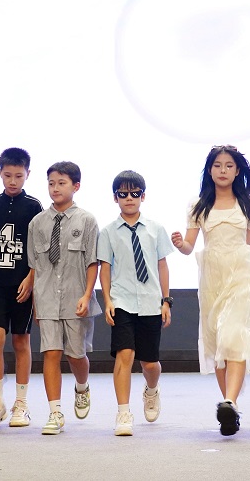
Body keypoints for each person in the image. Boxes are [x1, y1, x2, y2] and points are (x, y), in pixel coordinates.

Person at [172, 145, 250, 436]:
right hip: (212, 278)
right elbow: (189, 246)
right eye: (218, 165)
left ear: (237, 171)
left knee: (235, 336)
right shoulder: (198, 205)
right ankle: (229, 408)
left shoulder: (248, 203)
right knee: (218, 342)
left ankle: (230, 401)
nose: (223, 170)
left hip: (242, 275)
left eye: (229, 165)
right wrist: (180, 244)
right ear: (209, 170)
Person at [97, 170, 176, 436]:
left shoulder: (156, 229)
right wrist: (107, 300)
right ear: (115, 197)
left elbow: (162, 265)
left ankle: (151, 390)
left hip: (151, 302)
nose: (129, 198)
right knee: (125, 354)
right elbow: (105, 268)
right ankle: (123, 412)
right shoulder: (108, 232)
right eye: (123, 194)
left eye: (134, 193)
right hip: (122, 301)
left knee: (149, 363)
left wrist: (166, 301)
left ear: (143, 196)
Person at [0, 147, 44, 429]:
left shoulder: (34, 206)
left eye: (18, 176)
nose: (13, 181)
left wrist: (31, 278)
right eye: (8, 175)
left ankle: (21, 404)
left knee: (21, 341)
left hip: (22, 286)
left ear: (27, 174)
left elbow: (39, 249)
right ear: (0, 173)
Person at [27, 161, 101, 435]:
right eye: (51, 183)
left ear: (76, 186)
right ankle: (55, 412)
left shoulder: (87, 220)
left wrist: (87, 294)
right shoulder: (37, 223)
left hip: (75, 297)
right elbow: (34, 266)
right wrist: (36, 303)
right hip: (46, 298)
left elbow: (92, 262)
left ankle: (82, 387)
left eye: (61, 183)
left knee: (76, 355)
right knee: (51, 353)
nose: (55, 188)